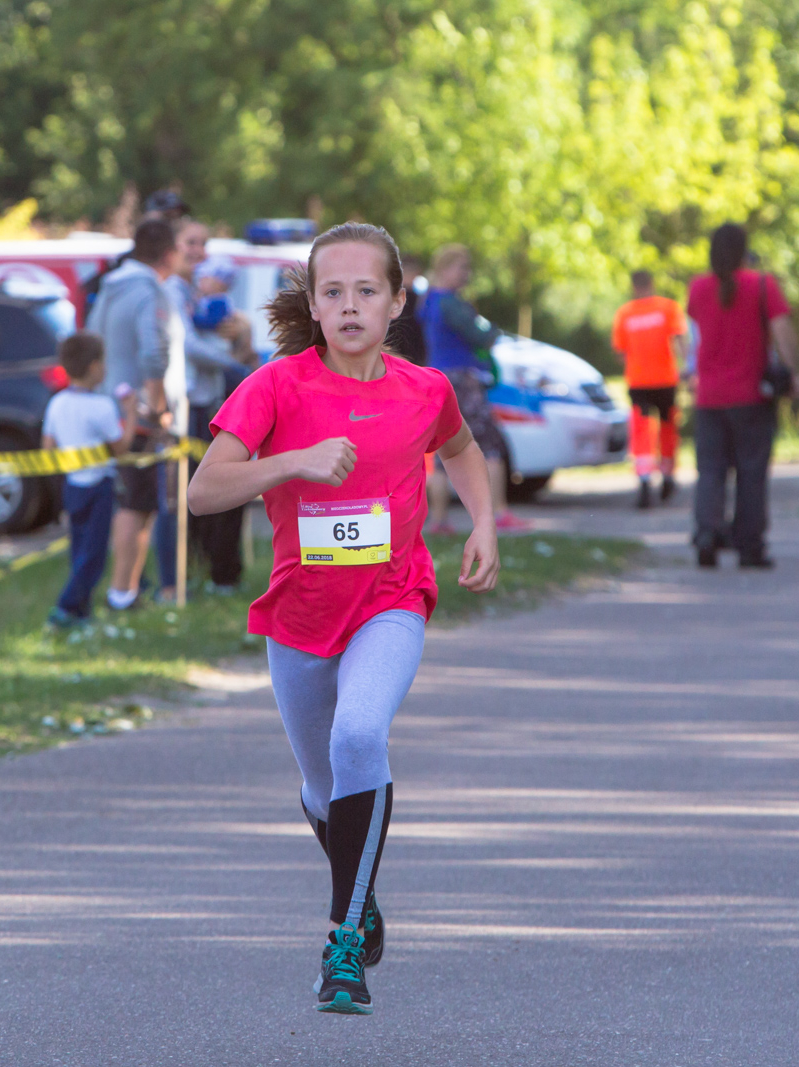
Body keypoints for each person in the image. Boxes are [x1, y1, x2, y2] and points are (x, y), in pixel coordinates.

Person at [187, 222, 499, 1015]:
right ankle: (357, 879)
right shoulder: (276, 388)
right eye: (334, 291)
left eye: (368, 290)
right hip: (297, 613)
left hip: (391, 602)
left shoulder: (424, 389)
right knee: (326, 788)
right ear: (314, 304)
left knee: (359, 736)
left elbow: (460, 451)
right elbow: (202, 491)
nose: (351, 304)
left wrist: (485, 524)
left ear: (397, 301)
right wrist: (292, 460)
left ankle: (344, 941)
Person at [686, 223, 799, 569]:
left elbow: (694, 336)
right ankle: (749, 546)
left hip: (709, 397)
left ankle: (707, 535)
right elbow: (783, 332)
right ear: (743, 250)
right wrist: (793, 373)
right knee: (751, 472)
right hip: (751, 396)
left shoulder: (698, 288)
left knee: (710, 471)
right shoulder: (762, 285)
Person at [86, 218, 182, 610]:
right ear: (167, 254)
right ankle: (122, 592)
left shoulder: (112, 285)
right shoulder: (148, 291)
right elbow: (153, 353)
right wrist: (158, 408)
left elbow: (93, 339)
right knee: (136, 506)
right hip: (137, 414)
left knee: (129, 503)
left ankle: (123, 590)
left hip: (111, 405)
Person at [416, 245, 530, 532]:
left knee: (443, 447)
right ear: (445, 268)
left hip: (437, 377)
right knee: (489, 444)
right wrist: (492, 333)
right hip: (463, 380)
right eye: (462, 268)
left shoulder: (427, 300)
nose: (467, 274)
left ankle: (439, 520)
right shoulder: (451, 303)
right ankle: (499, 513)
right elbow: (482, 337)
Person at [167, 220, 253, 593]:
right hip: (188, 407)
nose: (198, 251)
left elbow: (232, 334)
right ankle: (208, 574)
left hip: (209, 404)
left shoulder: (194, 292)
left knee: (222, 491)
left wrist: (242, 334)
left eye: (204, 243)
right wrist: (236, 366)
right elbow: (186, 345)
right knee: (205, 493)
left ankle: (218, 572)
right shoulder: (172, 289)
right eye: (190, 242)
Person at [43, 333, 137, 627]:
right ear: (95, 367)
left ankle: (82, 612)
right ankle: (65, 607)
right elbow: (120, 448)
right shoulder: (103, 407)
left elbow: (48, 446)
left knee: (79, 548)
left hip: (72, 485)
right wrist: (131, 413)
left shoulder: (57, 403)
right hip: (99, 485)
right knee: (94, 555)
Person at [612, 270, 688, 508]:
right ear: (652, 283)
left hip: (639, 382)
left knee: (642, 430)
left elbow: (619, 350)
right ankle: (667, 477)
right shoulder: (668, 308)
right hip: (666, 380)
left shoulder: (625, 313)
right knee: (668, 428)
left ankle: (644, 482)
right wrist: (687, 368)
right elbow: (680, 340)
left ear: (634, 286)